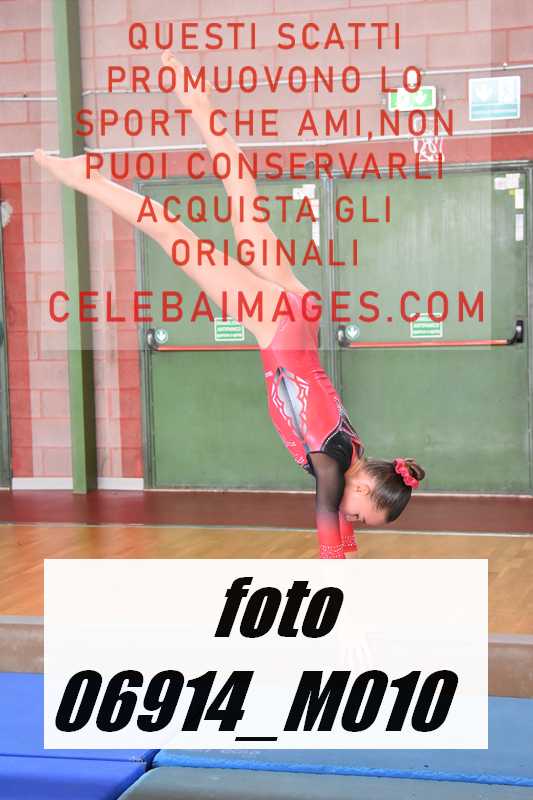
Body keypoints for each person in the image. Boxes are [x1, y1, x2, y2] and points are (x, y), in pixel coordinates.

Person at [33, 50, 425, 560]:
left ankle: (199, 102)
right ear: (366, 487)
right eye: (362, 515)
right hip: (278, 326)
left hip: (300, 313)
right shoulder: (332, 465)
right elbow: (330, 529)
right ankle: (88, 178)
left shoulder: (354, 453)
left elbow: (338, 527)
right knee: (176, 236)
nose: (354, 521)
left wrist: (350, 557)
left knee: (243, 195)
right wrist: (345, 579)